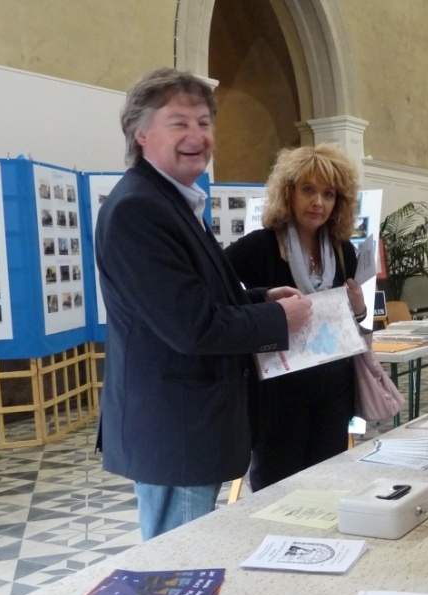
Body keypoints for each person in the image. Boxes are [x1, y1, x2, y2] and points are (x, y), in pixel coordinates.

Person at [96, 68, 312, 540]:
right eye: (179, 123)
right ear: (142, 133)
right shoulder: (139, 209)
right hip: (178, 427)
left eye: (204, 122)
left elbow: (195, 297)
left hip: (190, 422)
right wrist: (277, 318)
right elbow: (192, 327)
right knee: (178, 563)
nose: (197, 135)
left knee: (185, 557)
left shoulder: (171, 201)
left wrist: (259, 298)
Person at [225, 144, 366, 491]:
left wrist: (359, 308)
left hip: (333, 392)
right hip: (278, 396)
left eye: (328, 194)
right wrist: (264, 304)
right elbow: (218, 297)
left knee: (326, 489)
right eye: (308, 190)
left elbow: (350, 321)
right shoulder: (260, 246)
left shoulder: (343, 250)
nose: (318, 202)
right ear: (288, 193)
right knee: (278, 493)